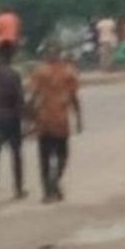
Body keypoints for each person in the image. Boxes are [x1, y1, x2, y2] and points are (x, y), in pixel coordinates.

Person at [29, 41, 82, 203]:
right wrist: (79, 118)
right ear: (60, 54)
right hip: (60, 121)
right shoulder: (69, 72)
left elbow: (33, 97)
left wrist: (29, 120)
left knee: (44, 158)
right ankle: (55, 182)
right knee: (63, 156)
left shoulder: (39, 71)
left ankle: (47, 191)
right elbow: (74, 97)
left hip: (44, 120)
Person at [0, 43, 27, 202]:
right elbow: (19, 97)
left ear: (0, 56)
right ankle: (18, 189)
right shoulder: (14, 75)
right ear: (11, 56)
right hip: (11, 117)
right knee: (16, 154)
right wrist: (25, 117)